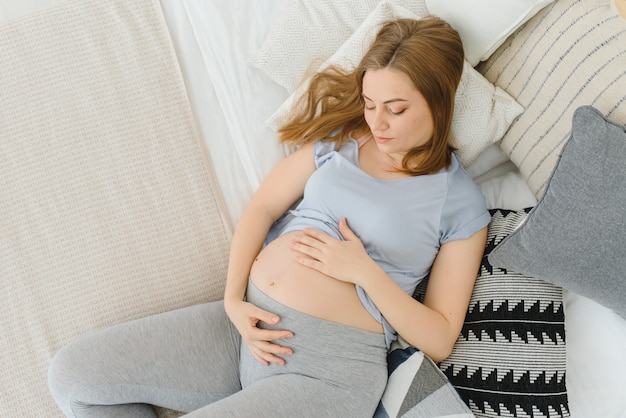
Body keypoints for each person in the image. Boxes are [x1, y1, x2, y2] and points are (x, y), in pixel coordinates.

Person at [48, 16, 490, 417]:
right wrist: (232, 299)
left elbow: (440, 336)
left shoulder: (458, 201)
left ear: (438, 101)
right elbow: (261, 207)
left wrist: (365, 272)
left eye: (396, 109)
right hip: (246, 326)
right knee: (75, 377)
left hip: (328, 371)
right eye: (370, 103)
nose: (378, 121)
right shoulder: (341, 144)